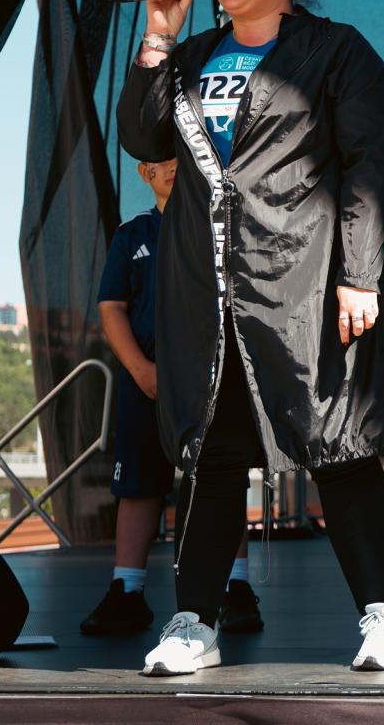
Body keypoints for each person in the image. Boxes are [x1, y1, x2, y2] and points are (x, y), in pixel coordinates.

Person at [117, 0, 384, 675]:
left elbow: (368, 165)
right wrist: (158, 37)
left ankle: (380, 619)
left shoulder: (335, 51)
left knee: (339, 444)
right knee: (210, 454)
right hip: (207, 291)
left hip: (304, 282)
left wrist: (359, 275)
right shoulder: (193, 57)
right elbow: (143, 139)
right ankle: (193, 624)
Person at [80, 158, 263, 636]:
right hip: (148, 381)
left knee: (221, 479)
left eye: (179, 157)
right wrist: (141, 370)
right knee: (137, 483)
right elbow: (111, 308)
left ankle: (235, 587)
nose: (172, 167)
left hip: (213, 379)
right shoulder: (132, 235)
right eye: (159, 161)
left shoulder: (221, 227)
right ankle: (127, 590)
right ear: (144, 173)